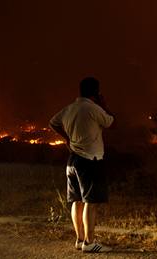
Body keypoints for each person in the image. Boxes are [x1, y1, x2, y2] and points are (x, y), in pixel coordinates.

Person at [49, 77, 115, 253]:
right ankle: (89, 242)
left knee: (76, 201)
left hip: (72, 161)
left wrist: (67, 138)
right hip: (89, 160)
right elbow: (110, 121)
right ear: (96, 92)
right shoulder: (93, 108)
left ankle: (79, 240)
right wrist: (104, 104)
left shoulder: (70, 108)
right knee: (90, 202)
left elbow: (52, 122)